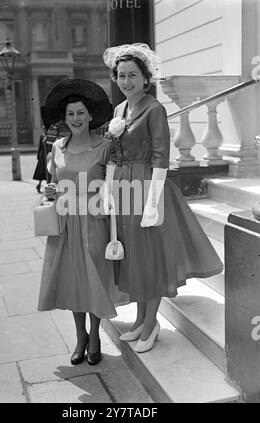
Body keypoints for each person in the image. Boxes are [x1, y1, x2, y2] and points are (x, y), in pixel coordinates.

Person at [102, 43, 224, 353]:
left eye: (132, 75)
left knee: (150, 259)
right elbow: (114, 154)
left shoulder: (155, 109)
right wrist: (107, 188)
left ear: (145, 78)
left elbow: (160, 156)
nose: (126, 81)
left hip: (148, 186)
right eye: (120, 75)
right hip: (125, 189)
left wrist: (153, 203)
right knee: (134, 259)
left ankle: (151, 322)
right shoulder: (119, 111)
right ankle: (142, 320)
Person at [37, 78, 119, 366]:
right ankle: (80, 336)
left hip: (95, 220)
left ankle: (95, 336)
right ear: (65, 117)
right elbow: (53, 183)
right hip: (65, 222)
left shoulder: (106, 146)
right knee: (73, 280)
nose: (75, 119)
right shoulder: (57, 147)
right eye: (71, 114)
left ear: (90, 115)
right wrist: (49, 190)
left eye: (81, 113)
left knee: (94, 278)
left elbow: (114, 184)